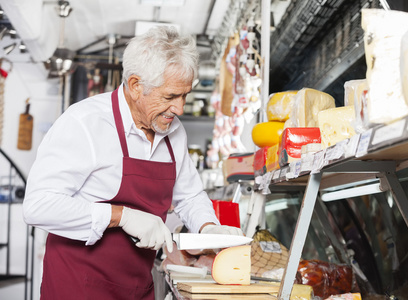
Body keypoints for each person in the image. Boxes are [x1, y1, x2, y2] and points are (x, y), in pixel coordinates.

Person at [23, 26, 243, 300]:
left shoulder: (174, 131)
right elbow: (38, 206)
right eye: (170, 97)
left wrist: (209, 227)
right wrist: (121, 217)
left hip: (137, 287)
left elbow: (190, 196)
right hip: (79, 286)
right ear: (136, 86)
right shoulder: (85, 123)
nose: (180, 108)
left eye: (185, 95)